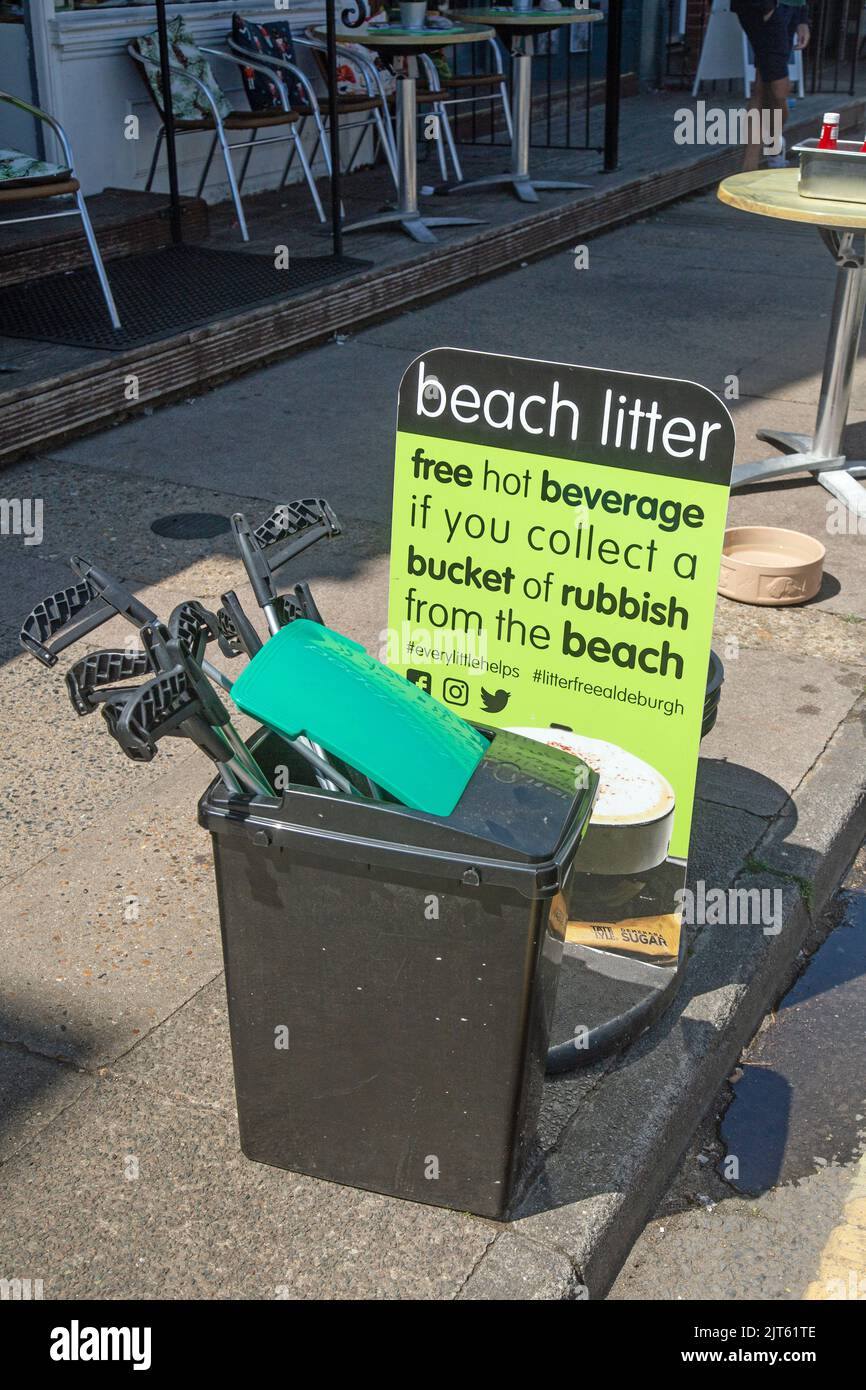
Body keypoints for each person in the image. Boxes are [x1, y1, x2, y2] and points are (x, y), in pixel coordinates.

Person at [732, 1, 811, 171]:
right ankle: (773, 146)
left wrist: (802, 16)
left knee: (763, 85)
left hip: (789, 7)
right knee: (778, 88)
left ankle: (750, 166)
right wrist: (767, 7)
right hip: (764, 8)